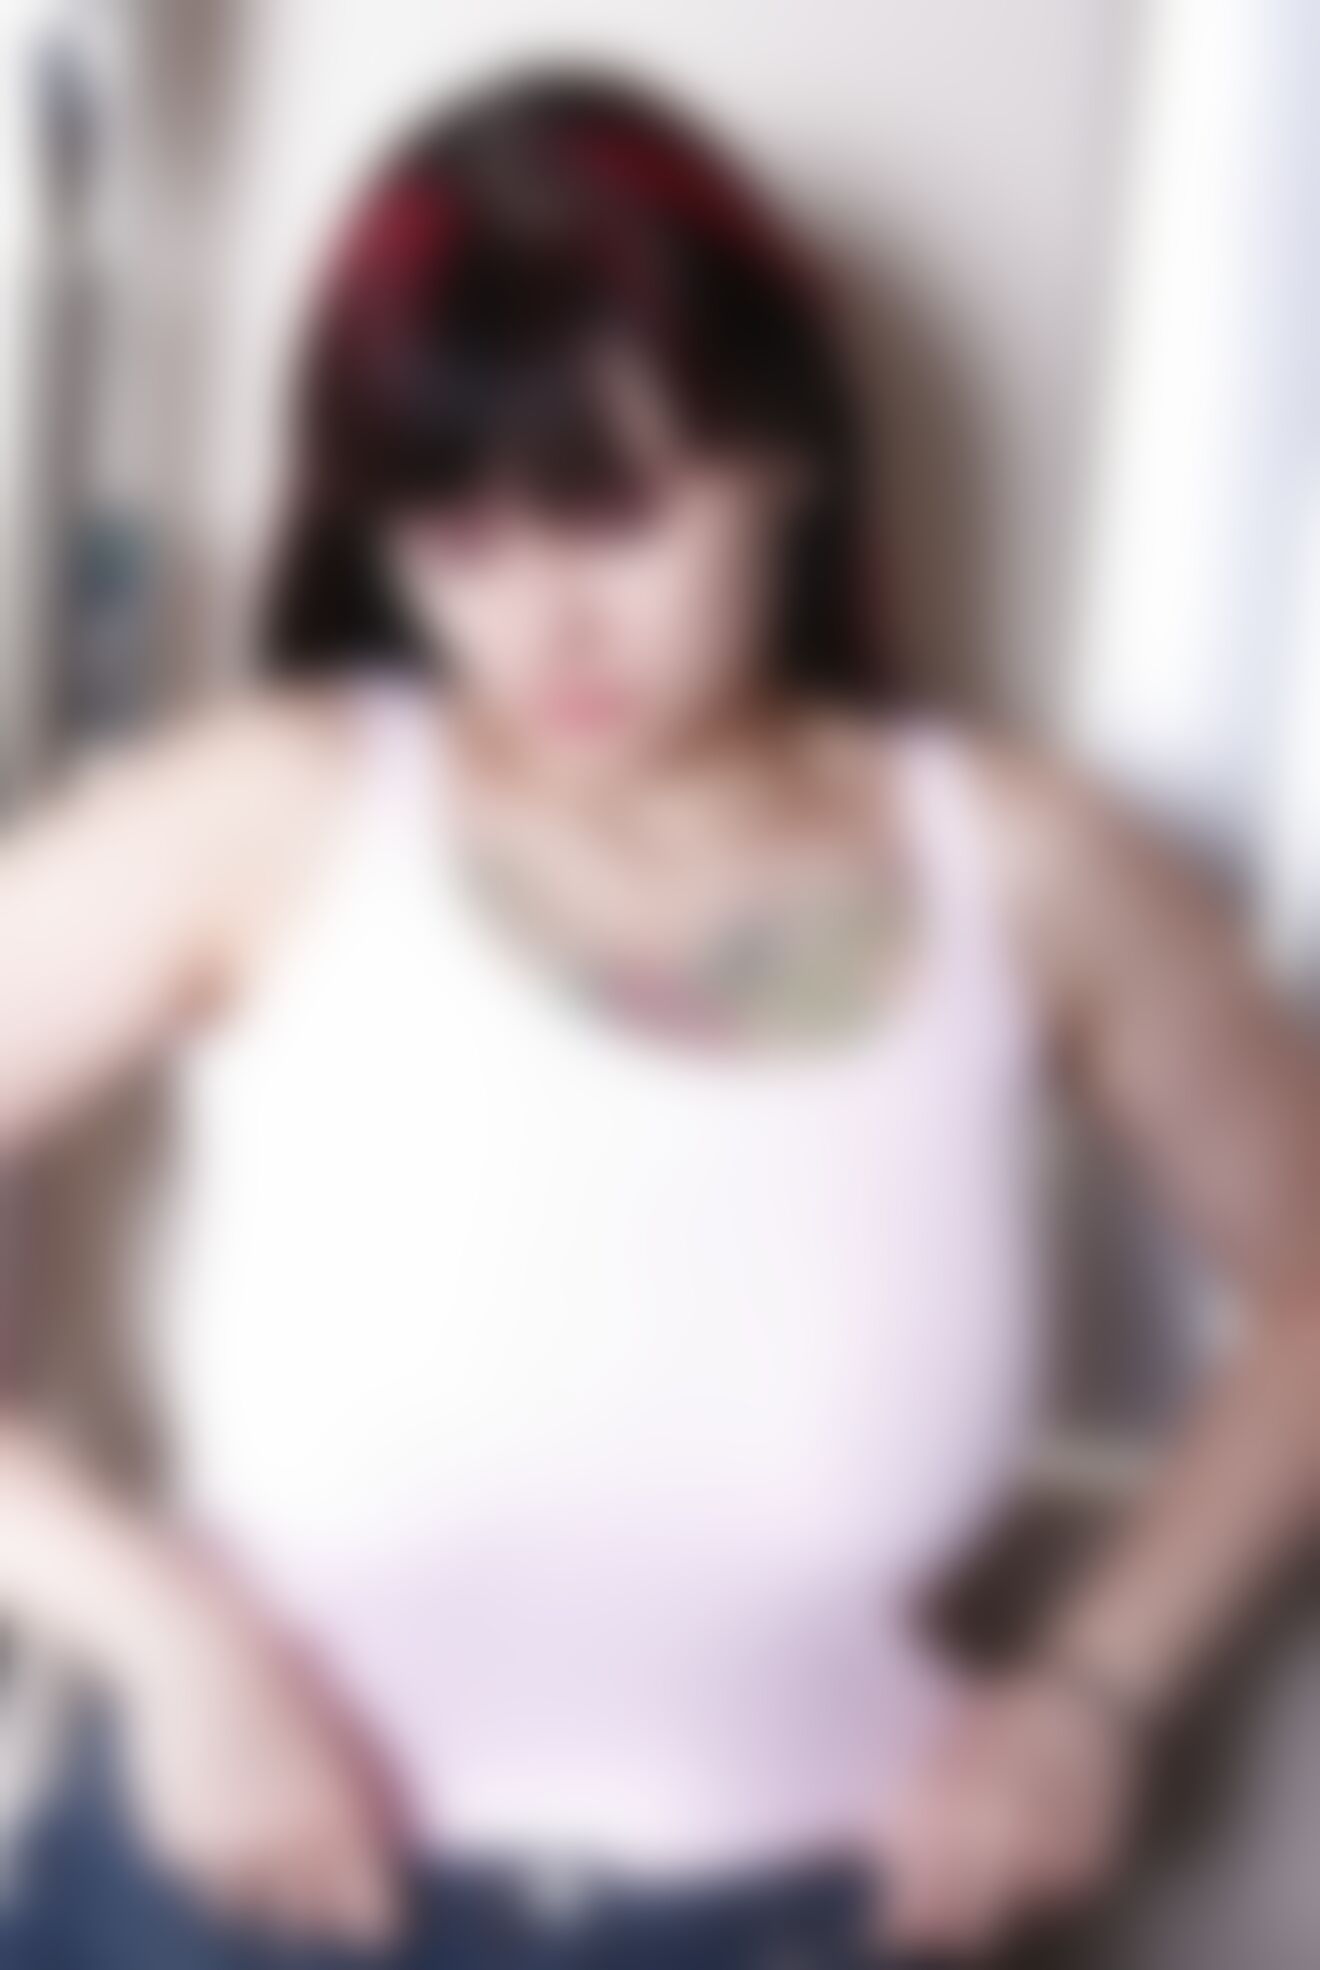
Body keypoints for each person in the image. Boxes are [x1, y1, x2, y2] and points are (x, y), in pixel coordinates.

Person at [0, 58, 1318, 1970]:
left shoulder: (1029, 866)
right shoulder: (269, 809)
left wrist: (1098, 1692)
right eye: (452, 528)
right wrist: (155, 1631)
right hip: (228, 1914)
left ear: (789, 440)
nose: (538, 619)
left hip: (792, 1923)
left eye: (609, 507)